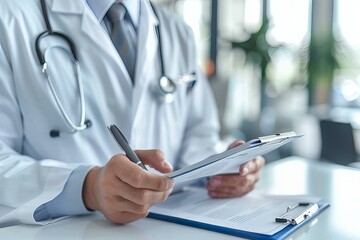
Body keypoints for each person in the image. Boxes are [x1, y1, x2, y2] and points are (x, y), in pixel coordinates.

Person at [0, 0, 265, 226]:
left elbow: (198, 137)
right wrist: (88, 188)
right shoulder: (10, 20)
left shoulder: (176, 31)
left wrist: (224, 170)